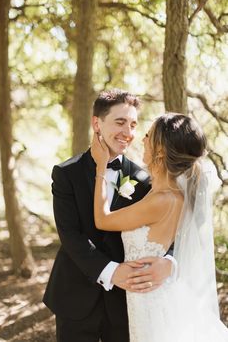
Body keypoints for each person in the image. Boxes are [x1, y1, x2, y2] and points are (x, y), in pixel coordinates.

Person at [43, 89, 175, 342]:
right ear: (97, 123)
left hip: (128, 303)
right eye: (120, 122)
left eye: (134, 124)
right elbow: (70, 235)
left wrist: (169, 261)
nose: (128, 132)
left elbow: (173, 227)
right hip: (75, 297)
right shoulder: (65, 173)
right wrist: (112, 271)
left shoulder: (145, 179)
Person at [91, 113, 228, 342]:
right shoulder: (170, 193)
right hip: (151, 294)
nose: (142, 140)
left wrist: (101, 168)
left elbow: (103, 220)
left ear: (161, 151)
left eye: (148, 135)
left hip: (153, 302)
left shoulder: (162, 200)